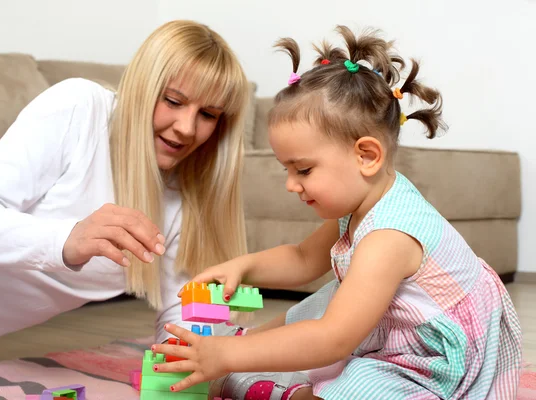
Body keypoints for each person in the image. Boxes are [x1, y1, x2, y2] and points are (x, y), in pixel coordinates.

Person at [152, 25, 523, 400]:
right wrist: (244, 267)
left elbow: (333, 339)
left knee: (350, 374)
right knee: (323, 303)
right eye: (287, 170)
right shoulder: (365, 200)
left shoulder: (389, 237)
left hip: (436, 359)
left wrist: (228, 357)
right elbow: (302, 259)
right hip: (397, 327)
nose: (291, 185)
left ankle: (275, 388)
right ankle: (247, 352)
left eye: (304, 170)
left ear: (366, 156)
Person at [0, 19, 250, 370]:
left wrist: (188, 360)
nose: (187, 128)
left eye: (207, 114)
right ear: (144, 85)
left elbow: (182, 309)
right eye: (173, 101)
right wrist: (66, 240)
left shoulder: (183, 197)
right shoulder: (81, 108)